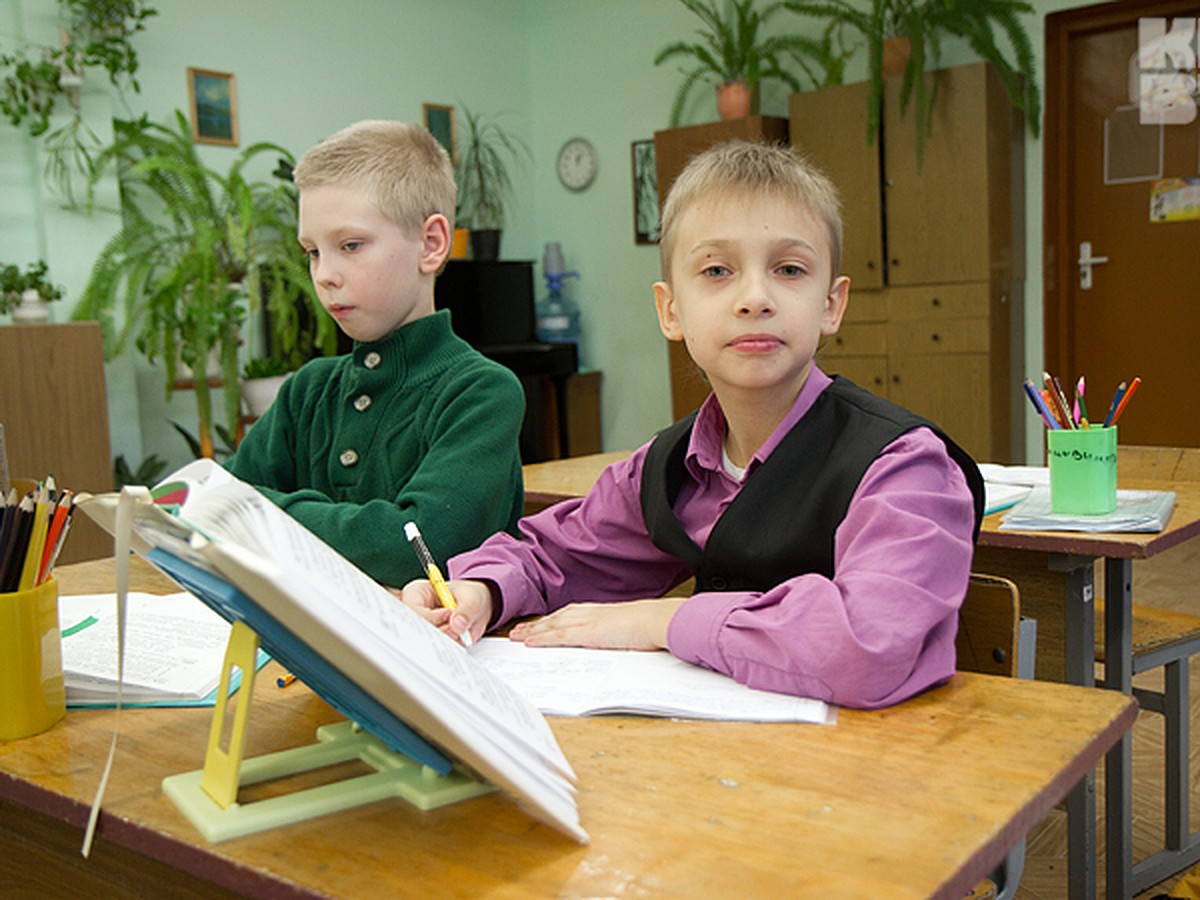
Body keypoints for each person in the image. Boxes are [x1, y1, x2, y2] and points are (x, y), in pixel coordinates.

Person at [402, 139, 984, 709]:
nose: (755, 297)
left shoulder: (906, 467)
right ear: (669, 310)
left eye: (788, 268)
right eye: (716, 270)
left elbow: (868, 646)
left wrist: (663, 618)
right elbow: (556, 554)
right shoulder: (671, 467)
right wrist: (478, 591)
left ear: (831, 304)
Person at [226, 120, 525, 587]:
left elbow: (416, 550)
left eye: (350, 245)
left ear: (431, 244)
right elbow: (218, 507)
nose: (324, 273)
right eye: (312, 252)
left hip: (440, 655)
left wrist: (260, 516)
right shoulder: (307, 391)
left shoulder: (482, 392)